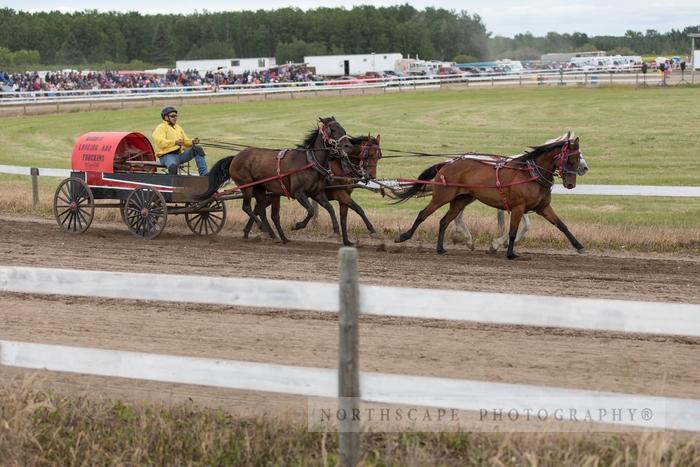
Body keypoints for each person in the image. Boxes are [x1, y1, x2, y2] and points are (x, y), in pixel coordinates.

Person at [152, 106, 208, 176]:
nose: (175, 118)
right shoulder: (161, 127)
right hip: (166, 156)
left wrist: (192, 141)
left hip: (179, 155)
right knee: (173, 167)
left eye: (176, 116)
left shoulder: (178, 128)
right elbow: (160, 142)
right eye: (172, 116)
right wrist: (174, 142)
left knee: (197, 149)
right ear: (166, 117)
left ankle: (204, 175)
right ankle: (173, 184)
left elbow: (185, 141)